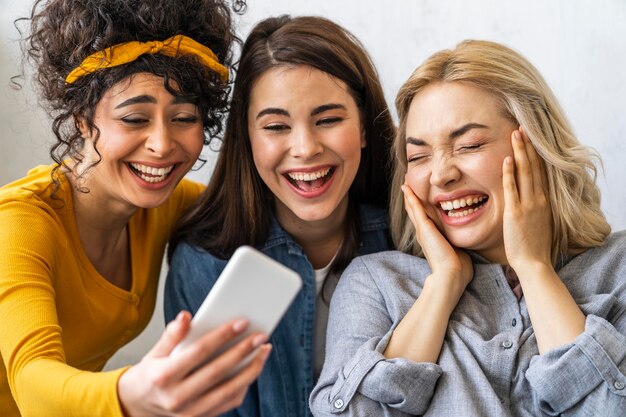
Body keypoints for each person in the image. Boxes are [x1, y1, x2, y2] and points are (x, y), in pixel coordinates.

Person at [310, 39, 626, 416]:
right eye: (419, 156)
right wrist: (444, 283)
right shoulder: (375, 282)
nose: (442, 175)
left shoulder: (618, 268)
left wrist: (534, 268)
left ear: (538, 146)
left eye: (469, 144)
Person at [0, 1, 272, 416]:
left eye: (183, 117)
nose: (162, 145)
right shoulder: (19, 224)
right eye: (134, 119)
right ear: (82, 119)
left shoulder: (165, 204)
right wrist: (132, 392)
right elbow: (32, 385)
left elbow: (255, 207)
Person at [164, 15, 395, 417]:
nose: (304, 148)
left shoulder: (409, 239)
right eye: (276, 126)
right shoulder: (204, 264)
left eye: (328, 120)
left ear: (362, 127)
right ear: (248, 138)